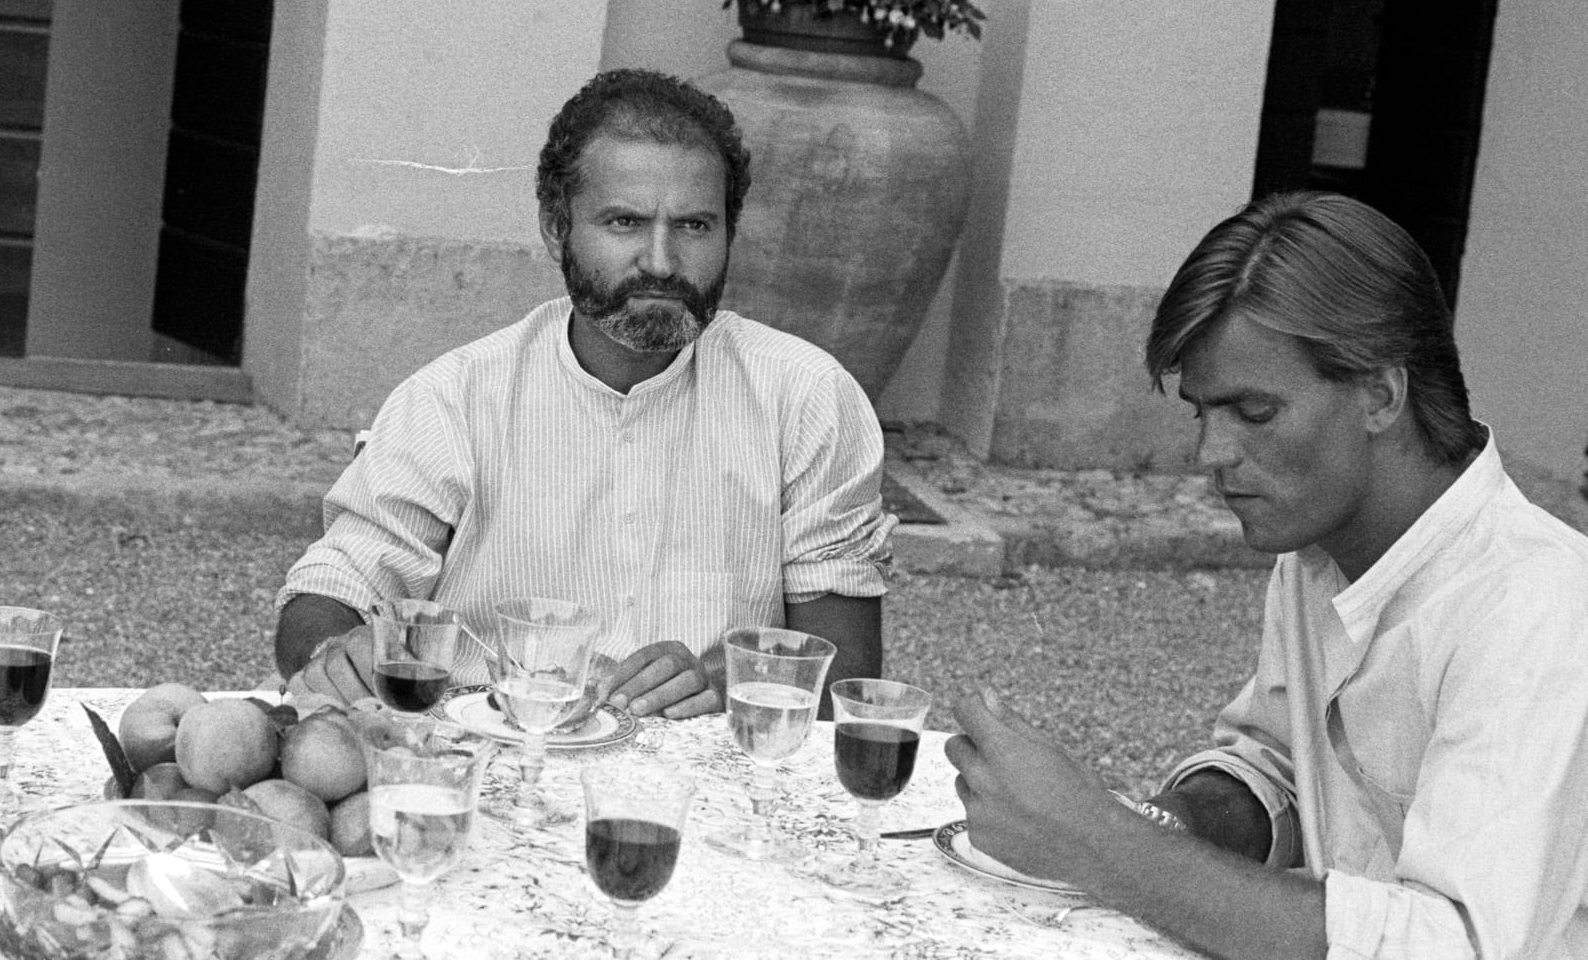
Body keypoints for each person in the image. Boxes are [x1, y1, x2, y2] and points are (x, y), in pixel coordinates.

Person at [946, 192, 1588, 959]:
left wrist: (1100, 840)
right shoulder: (1317, 549)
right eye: (1201, 412)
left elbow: (1459, 945)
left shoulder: (1538, 610)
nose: (1209, 453)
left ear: (1382, 392)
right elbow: (1278, 770)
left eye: (1253, 412)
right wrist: (1159, 821)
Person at [276, 68, 894, 718]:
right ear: (555, 228)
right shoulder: (453, 401)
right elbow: (327, 593)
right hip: (493, 760)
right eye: (625, 221)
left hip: (707, 774)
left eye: (693, 226)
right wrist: (334, 647)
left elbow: (845, 663)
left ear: (729, 234)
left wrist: (718, 678)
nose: (660, 260)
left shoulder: (806, 400)